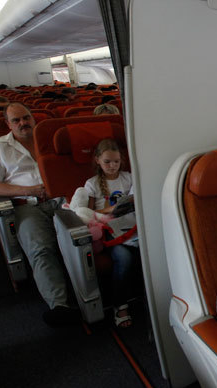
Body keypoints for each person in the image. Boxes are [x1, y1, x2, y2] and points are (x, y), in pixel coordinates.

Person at [0, 102, 76, 326]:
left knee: (80, 237)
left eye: (26, 118)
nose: (23, 123)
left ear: (33, 117)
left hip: (60, 200)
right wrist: (29, 190)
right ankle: (59, 305)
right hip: (27, 206)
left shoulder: (49, 139)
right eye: (16, 120)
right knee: (40, 249)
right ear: (7, 124)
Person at [84, 138, 137, 328]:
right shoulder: (91, 184)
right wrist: (107, 214)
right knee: (123, 259)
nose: (112, 166)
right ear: (97, 160)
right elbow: (87, 214)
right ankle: (120, 305)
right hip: (108, 231)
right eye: (107, 162)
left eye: (116, 161)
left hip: (131, 226)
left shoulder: (129, 177)